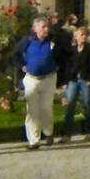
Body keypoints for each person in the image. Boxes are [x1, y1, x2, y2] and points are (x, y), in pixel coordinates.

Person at [16, 16, 66, 149]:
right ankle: (34, 140)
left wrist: (59, 70)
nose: (46, 29)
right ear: (35, 28)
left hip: (49, 78)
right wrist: (22, 66)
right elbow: (16, 54)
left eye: (47, 27)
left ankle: (48, 132)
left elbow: (63, 56)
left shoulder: (53, 41)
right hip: (31, 78)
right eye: (43, 27)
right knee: (32, 110)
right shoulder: (27, 41)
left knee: (46, 108)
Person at [62, 26, 90, 141]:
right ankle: (67, 134)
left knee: (87, 105)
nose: (82, 37)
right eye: (80, 35)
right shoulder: (71, 49)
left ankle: (89, 132)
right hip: (73, 80)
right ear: (75, 36)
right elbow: (67, 65)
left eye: (84, 35)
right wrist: (65, 81)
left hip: (85, 79)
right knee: (70, 106)